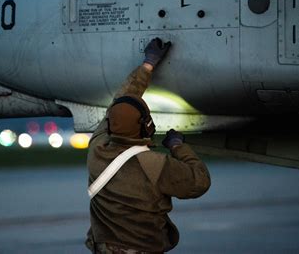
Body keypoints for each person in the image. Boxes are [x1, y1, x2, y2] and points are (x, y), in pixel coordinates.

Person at [85, 38, 211, 253]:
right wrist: (178, 146)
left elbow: (122, 101)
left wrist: (147, 65)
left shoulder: (97, 147)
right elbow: (199, 181)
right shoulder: (154, 165)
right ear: (146, 126)